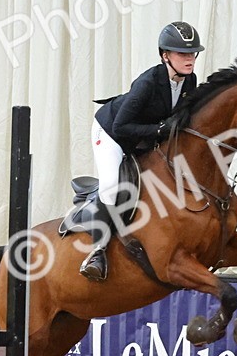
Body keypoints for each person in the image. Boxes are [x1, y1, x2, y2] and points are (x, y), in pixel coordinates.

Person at [80, 21, 204, 281]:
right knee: (112, 186)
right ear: (165, 55)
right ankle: (97, 252)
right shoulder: (147, 83)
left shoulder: (190, 81)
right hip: (111, 133)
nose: (189, 59)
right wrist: (161, 130)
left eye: (192, 53)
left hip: (142, 137)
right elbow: (121, 126)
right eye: (182, 53)